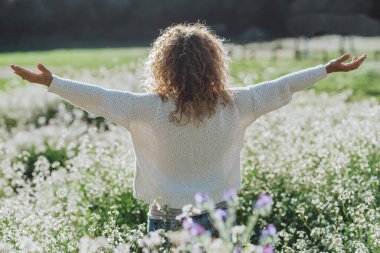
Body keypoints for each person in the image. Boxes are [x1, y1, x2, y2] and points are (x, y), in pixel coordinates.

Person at [10, 23, 366, 237]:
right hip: (219, 217)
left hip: (165, 219)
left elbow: (99, 99)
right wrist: (325, 70)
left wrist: (53, 82)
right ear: (214, 63)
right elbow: (280, 86)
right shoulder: (237, 102)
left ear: (161, 66)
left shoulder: (145, 108)